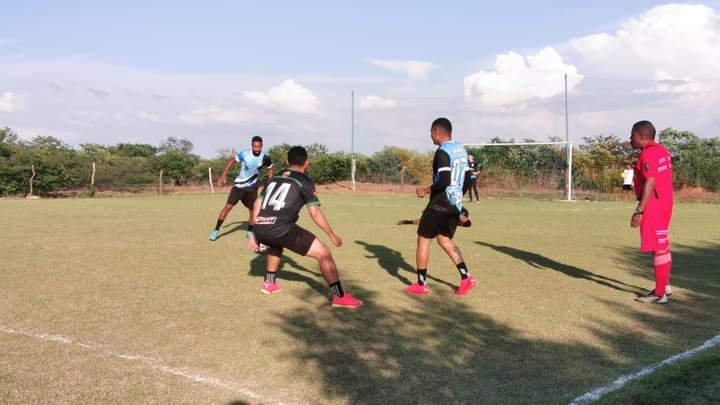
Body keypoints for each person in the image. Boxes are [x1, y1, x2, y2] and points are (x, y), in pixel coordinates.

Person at [247, 146, 363, 309]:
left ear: (287, 161)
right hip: (281, 228)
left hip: (262, 227)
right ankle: (339, 296)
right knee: (324, 253)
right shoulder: (305, 181)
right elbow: (314, 212)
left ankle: (270, 283)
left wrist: (254, 232)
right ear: (306, 163)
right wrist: (331, 235)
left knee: (275, 244)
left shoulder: (274, 178)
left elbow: (257, 203)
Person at [405, 117, 475, 296]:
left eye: (431, 133)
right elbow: (468, 179)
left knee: (423, 239)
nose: (430, 137)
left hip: (439, 203)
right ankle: (466, 277)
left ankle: (421, 284)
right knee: (444, 239)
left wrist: (425, 190)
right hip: (454, 204)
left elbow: (444, 180)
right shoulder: (461, 149)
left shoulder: (442, 152)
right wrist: (457, 197)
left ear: (436, 132)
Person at [629, 120, 674, 304]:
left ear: (641, 136)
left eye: (632, 135)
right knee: (662, 244)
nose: (630, 138)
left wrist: (639, 210)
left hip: (653, 205)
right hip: (665, 203)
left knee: (658, 246)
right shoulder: (662, 151)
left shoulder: (648, 154)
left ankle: (659, 293)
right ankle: (665, 286)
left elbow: (651, 181)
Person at [209, 136, 273, 241]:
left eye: (259, 147)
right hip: (239, 187)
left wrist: (270, 181)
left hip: (252, 188)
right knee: (228, 207)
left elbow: (271, 168)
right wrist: (223, 175)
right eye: (255, 146)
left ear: (262, 146)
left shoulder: (265, 158)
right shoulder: (244, 154)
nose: (257, 149)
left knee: (253, 210)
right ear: (252, 145)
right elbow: (232, 161)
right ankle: (216, 230)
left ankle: (250, 231)